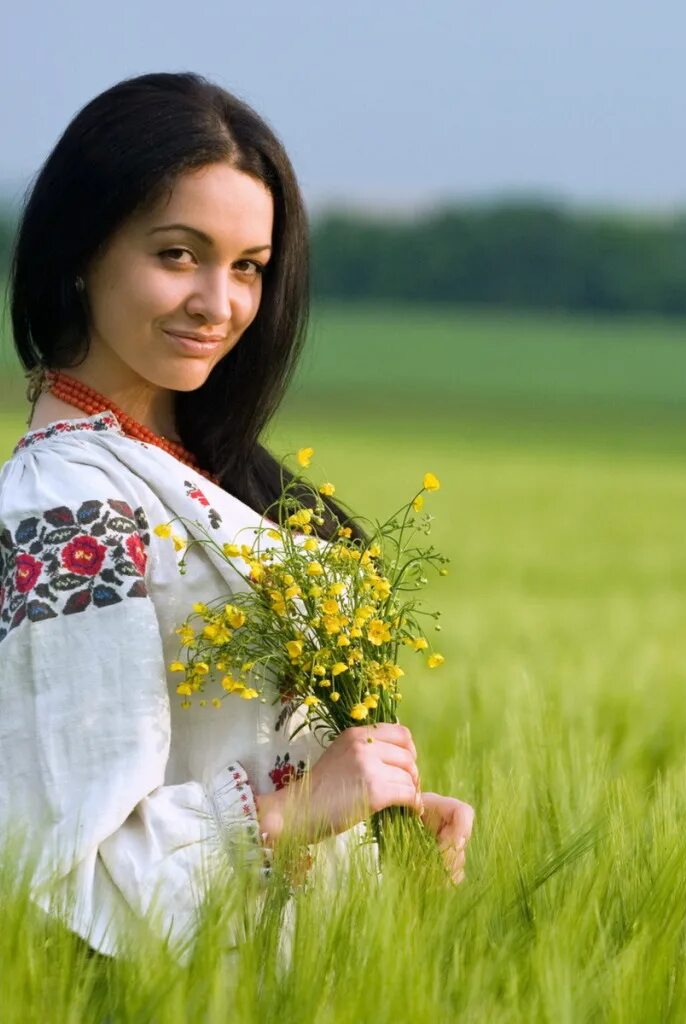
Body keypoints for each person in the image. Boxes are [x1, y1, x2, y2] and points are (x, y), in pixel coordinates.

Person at [0, 72, 474, 956]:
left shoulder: (207, 472)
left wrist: (378, 830)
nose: (220, 305)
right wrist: (299, 813)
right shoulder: (68, 506)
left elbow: (251, 744)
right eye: (177, 254)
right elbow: (62, 869)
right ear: (80, 250)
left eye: (248, 267)